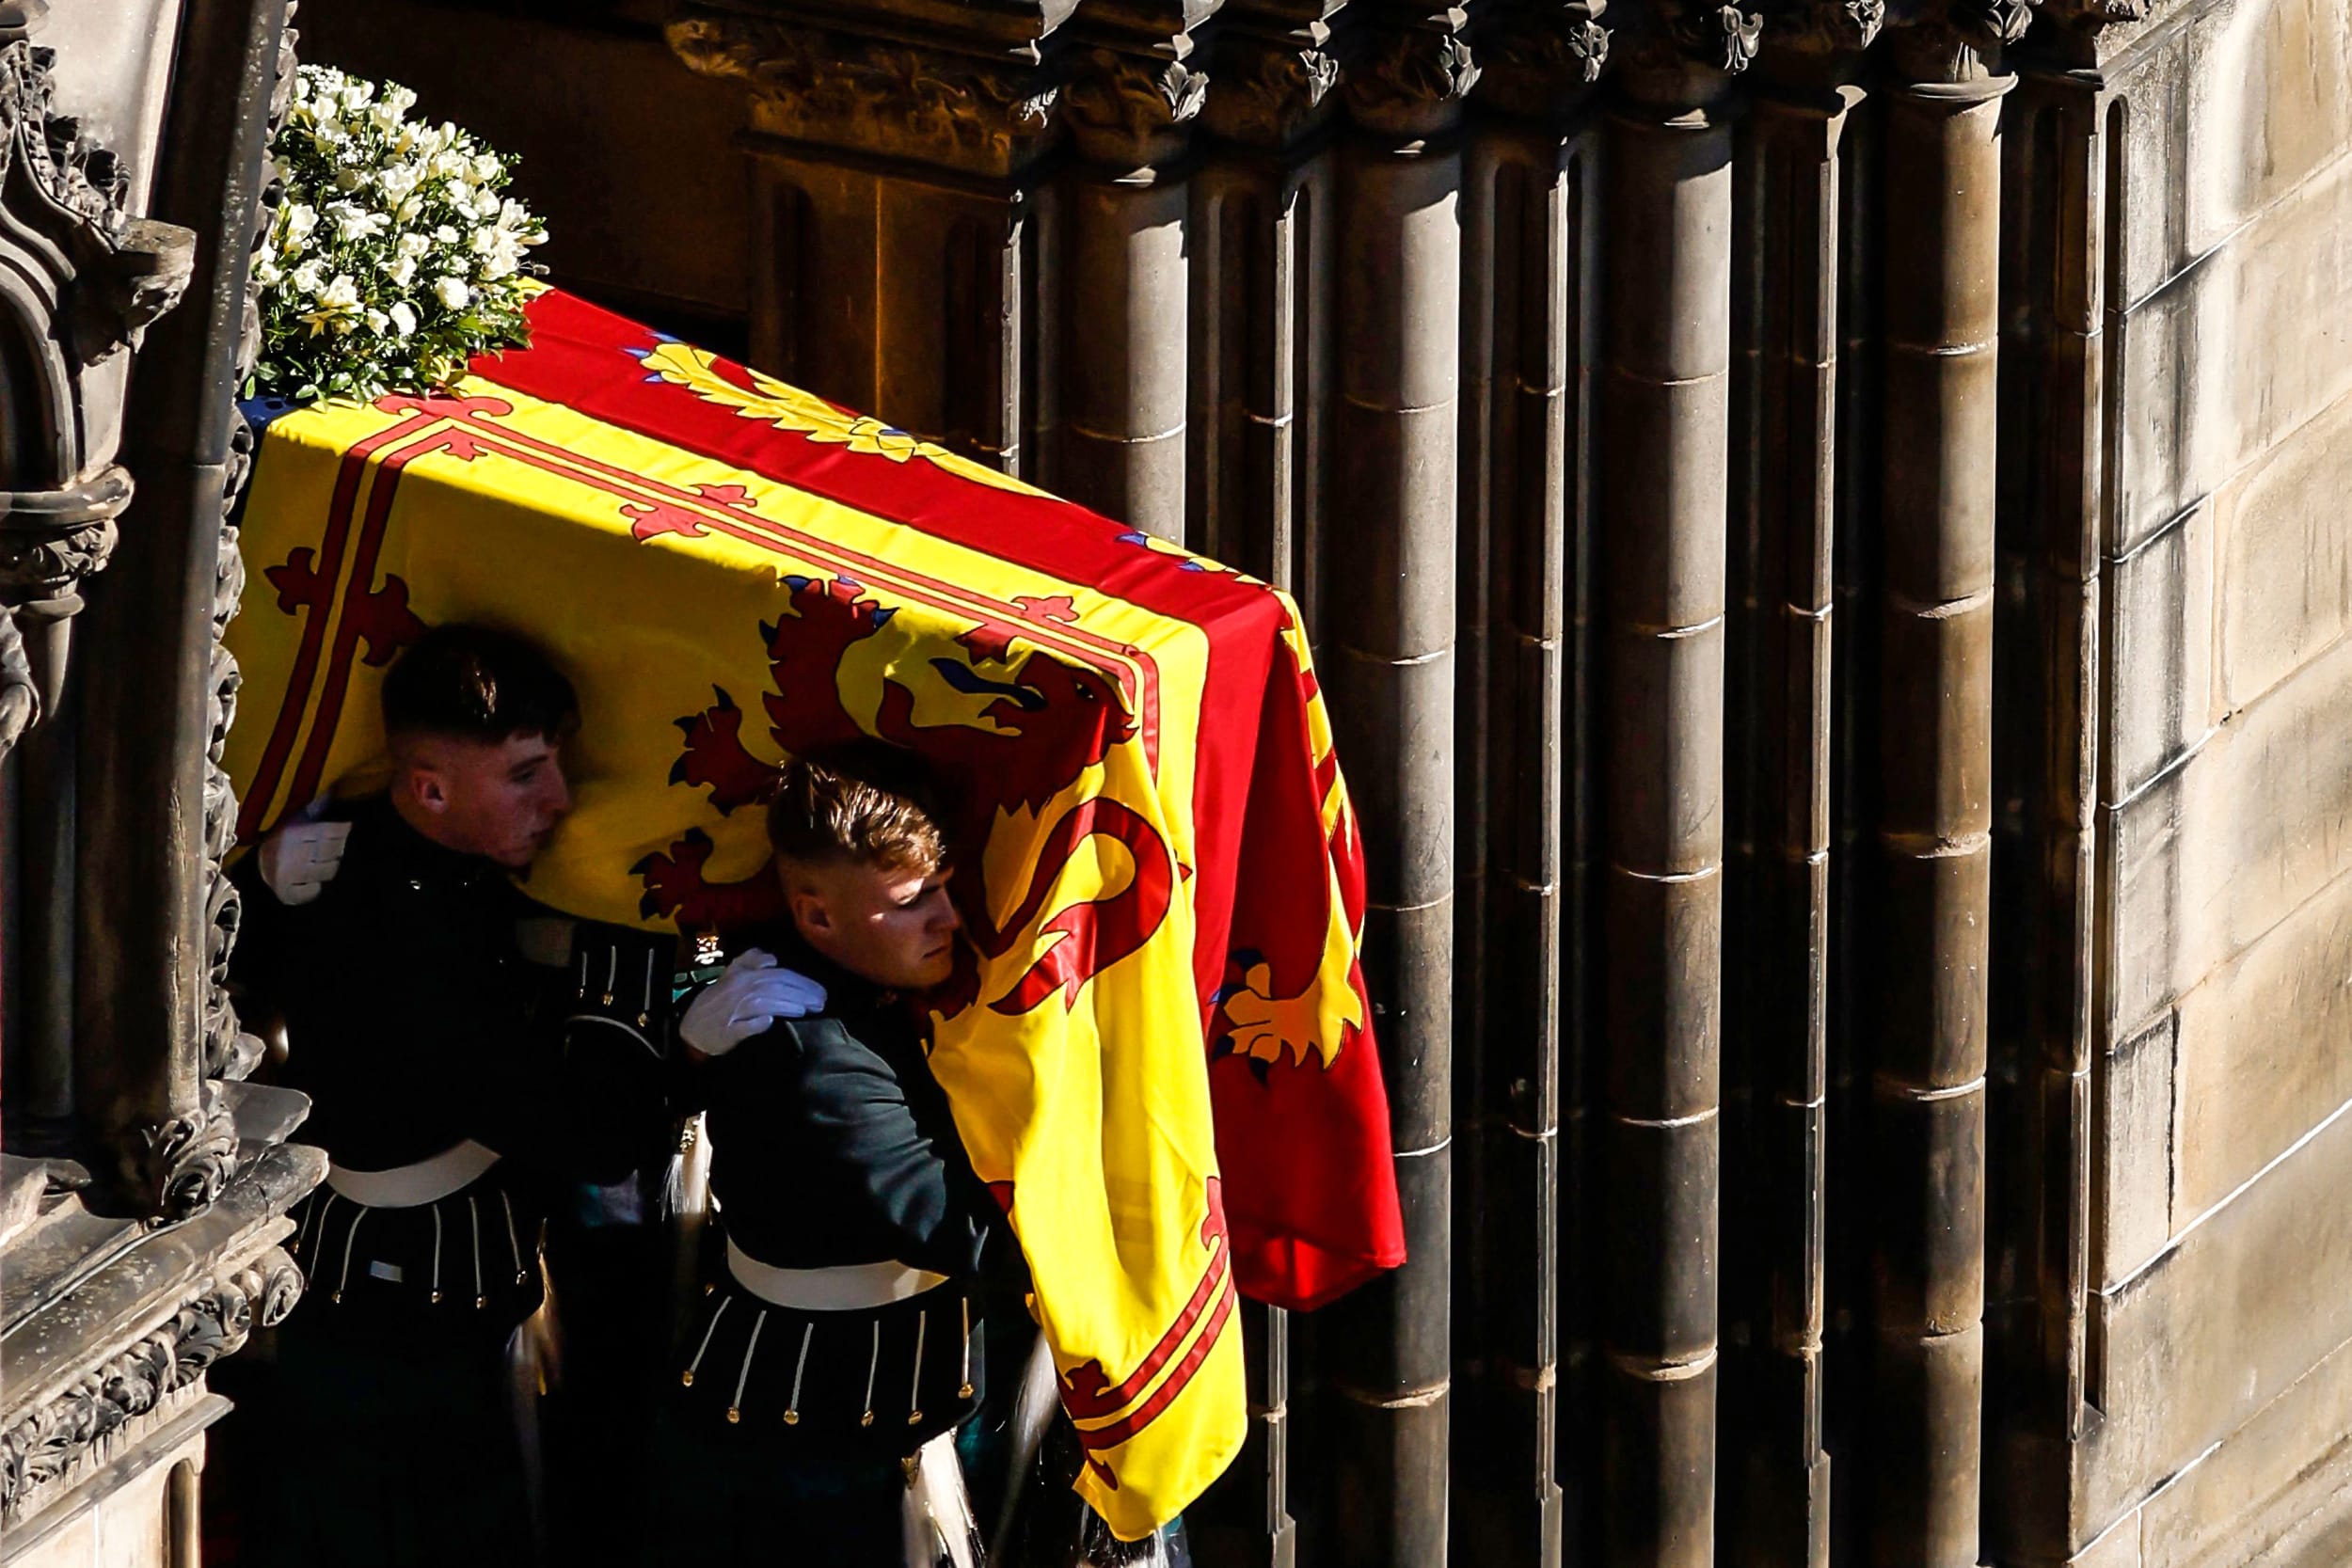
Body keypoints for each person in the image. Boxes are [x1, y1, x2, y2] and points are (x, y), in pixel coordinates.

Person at [225, 624, 786, 1567]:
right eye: (525, 773)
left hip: (426, 1282)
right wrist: (663, 1035)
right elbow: (594, 1134)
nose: (561, 800)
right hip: (409, 1317)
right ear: (431, 784)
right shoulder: (401, 936)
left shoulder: (389, 867)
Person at [659, 741, 994, 1565]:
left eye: (945, 888)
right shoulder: (812, 1050)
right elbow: (950, 1224)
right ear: (815, 915)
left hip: (903, 1383)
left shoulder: (866, 984)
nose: (948, 918)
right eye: (914, 900)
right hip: (822, 1426)